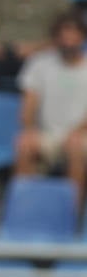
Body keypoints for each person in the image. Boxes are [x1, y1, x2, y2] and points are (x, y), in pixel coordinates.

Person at [14, 11, 87, 203]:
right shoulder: (40, 64)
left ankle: (70, 212)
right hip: (47, 134)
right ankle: (25, 207)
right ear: (56, 38)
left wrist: (78, 131)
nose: (68, 41)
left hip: (81, 135)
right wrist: (29, 130)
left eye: (73, 35)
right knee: (24, 144)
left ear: (82, 37)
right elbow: (29, 105)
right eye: (63, 36)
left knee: (76, 147)